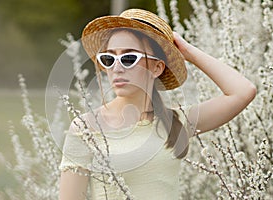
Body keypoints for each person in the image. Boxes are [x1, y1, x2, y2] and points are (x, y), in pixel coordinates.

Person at [58, 8, 256, 200]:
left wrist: (187, 52)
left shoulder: (176, 122)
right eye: (109, 58)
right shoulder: (85, 128)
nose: (116, 67)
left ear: (157, 67)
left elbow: (243, 91)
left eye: (128, 58)